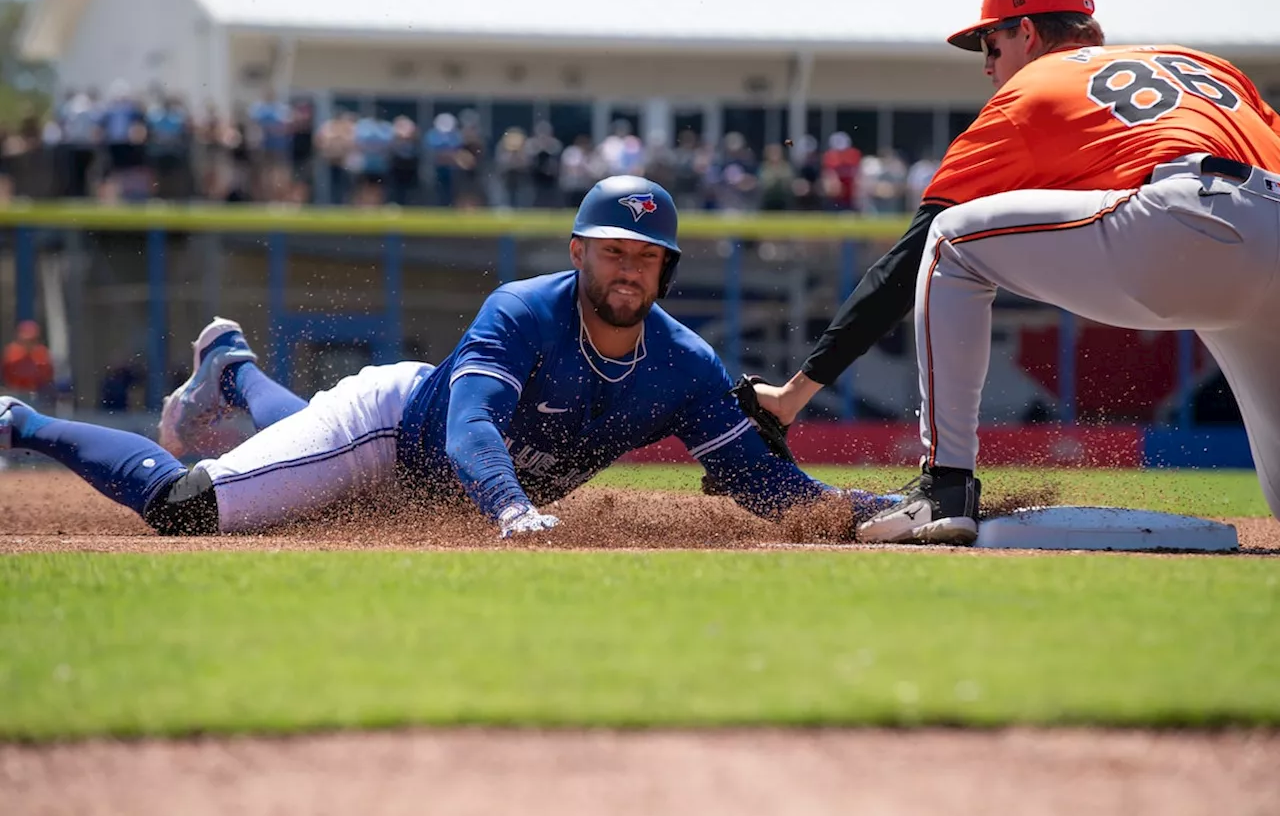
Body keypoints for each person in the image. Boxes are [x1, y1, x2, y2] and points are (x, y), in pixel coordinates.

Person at [0, 176, 897, 538]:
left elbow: (753, 476)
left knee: (305, 463)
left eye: (647, 256)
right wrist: (509, 506)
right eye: (612, 249)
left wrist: (859, 511)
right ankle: (20, 417)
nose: (629, 268)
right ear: (578, 250)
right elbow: (470, 424)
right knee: (191, 508)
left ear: (667, 269)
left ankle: (232, 369)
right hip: (392, 428)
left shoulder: (686, 363)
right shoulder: (522, 310)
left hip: (437, 476)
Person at [751, 0, 1280, 545]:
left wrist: (794, 391)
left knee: (951, 240)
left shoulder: (1032, 88)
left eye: (990, 42)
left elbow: (908, 260)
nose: (987, 64)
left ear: (1027, 32)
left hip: (1185, 222)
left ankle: (944, 487)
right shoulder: (1206, 65)